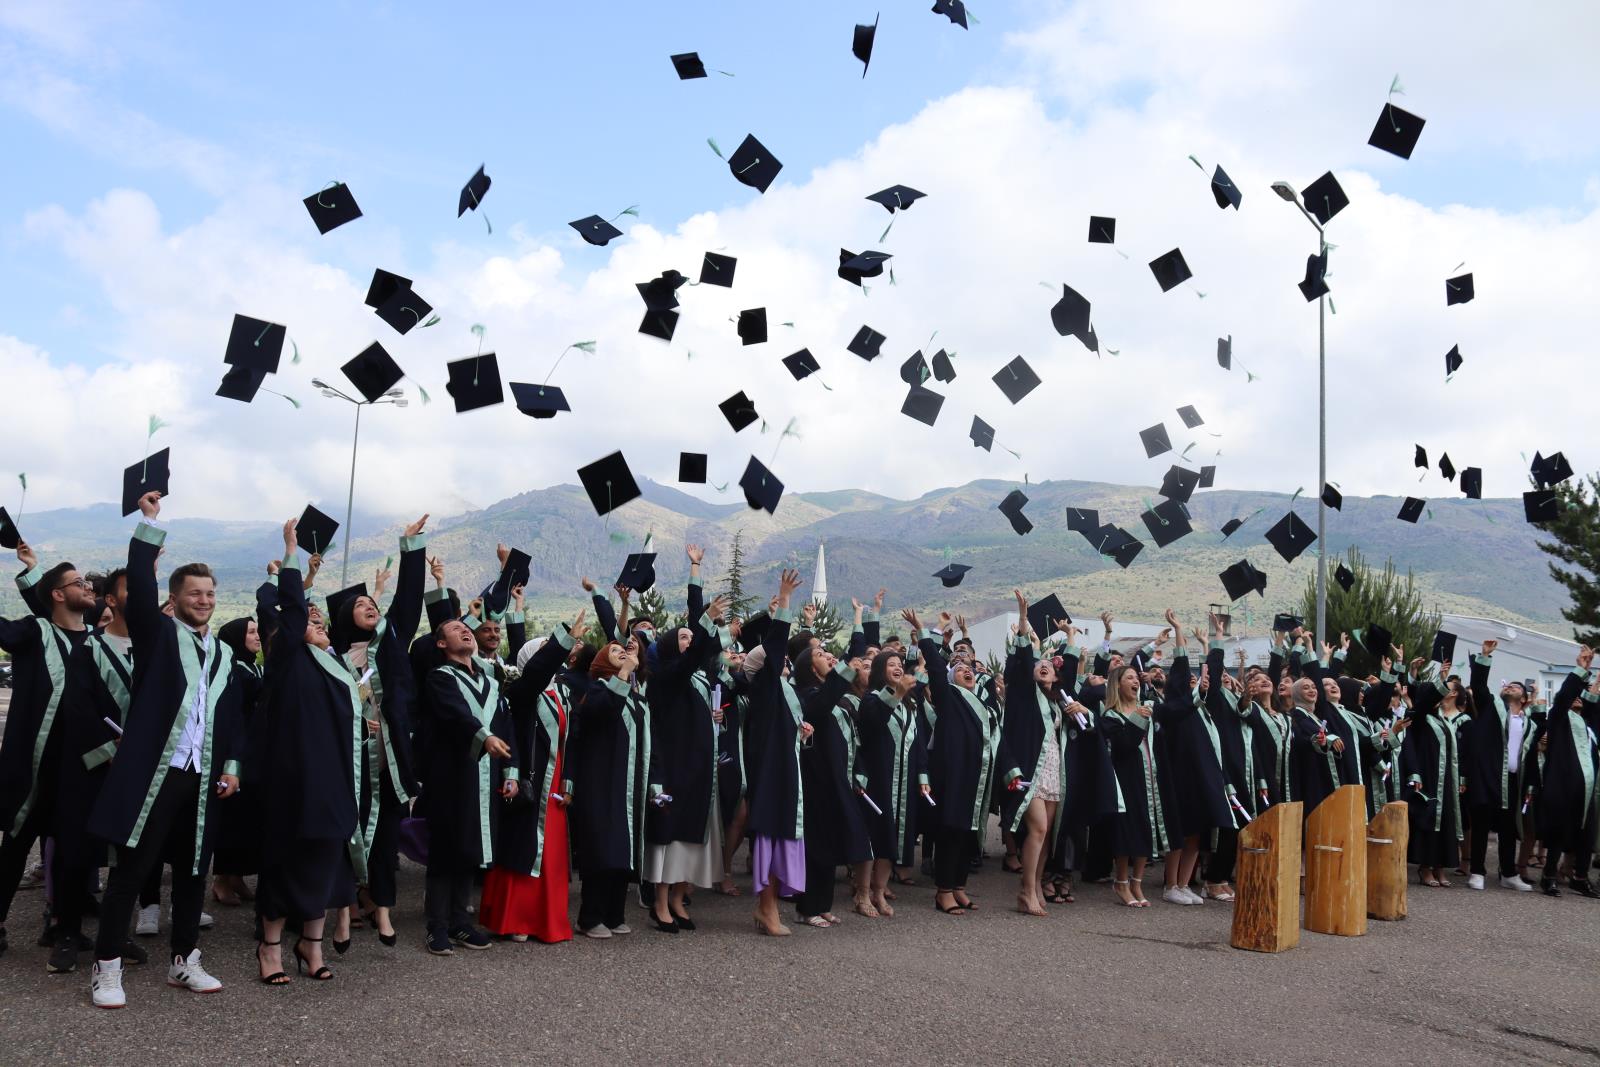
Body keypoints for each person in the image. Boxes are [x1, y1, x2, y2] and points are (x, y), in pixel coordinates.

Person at [87, 490, 243, 1009]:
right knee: (132, 871)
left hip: (201, 777)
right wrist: (149, 524)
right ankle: (106, 968)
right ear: (174, 599)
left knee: (195, 870)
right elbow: (137, 583)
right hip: (158, 772)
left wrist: (232, 766)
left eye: (210, 593)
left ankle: (185, 961)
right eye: (194, 593)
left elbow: (228, 718)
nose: (204, 599)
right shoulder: (157, 635)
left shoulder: (222, 653)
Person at [247, 518, 364, 984]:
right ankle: (270, 945)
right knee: (284, 858)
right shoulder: (286, 659)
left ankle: (311, 945)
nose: (312, 623)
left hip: (333, 780)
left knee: (324, 862)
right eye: (306, 619)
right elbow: (287, 610)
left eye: (319, 621)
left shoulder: (337, 669)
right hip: (292, 777)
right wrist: (291, 554)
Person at [327, 517, 430, 947]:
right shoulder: (330, 658)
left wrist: (410, 546)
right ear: (344, 617)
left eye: (373, 603)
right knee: (346, 837)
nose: (371, 606)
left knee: (386, 839)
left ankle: (384, 911)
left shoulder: (388, 644)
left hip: (388, 762)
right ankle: (344, 915)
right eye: (361, 604)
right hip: (348, 764)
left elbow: (407, 601)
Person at [46, 567, 149, 974]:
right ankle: (68, 933)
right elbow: (78, 706)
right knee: (77, 851)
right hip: (93, 766)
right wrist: (110, 749)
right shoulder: (88, 649)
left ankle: (116, 933)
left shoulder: (154, 649)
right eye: (131, 589)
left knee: (130, 856)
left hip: (139, 769)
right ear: (111, 599)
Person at [0, 540, 95, 959]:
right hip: (32, 764)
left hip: (80, 768)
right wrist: (32, 572)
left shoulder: (98, 641)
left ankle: (64, 928)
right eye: (79, 582)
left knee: (72, 852)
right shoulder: (33, 632)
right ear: (59, 594)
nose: (88, 586)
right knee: (15, 848)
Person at [480, 610, 586, 942]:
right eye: (542, 652)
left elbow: (573, 741)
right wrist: (563, 638)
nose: (551, 659)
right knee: (523, 849)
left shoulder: (563, 694)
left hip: (555, 785)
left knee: (552, 855)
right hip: (528, 781)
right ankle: (516, 920)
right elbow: (538, 672)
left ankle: (545, 920)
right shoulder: (522, 693)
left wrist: (569, 781)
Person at [642, 553, 731, 933]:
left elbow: (700, 645)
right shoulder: (665, 676)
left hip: (698, 771)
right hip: (673, 769)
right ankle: (660, 903)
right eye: (681, 636)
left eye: (691, 637)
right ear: (666, 643)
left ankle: (679, 898)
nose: (690, 640)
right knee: (669, 837)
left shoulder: (697, 679)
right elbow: (697, 641)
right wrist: (698, 590)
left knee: (691, 838)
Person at [420, 616, 518, 955]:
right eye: (453, 629)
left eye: (466, 628)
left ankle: (461, 922)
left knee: (470, 847)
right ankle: (437, 926)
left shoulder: (490, 682)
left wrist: (512, 772)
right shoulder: (439, 678)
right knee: (447, 847)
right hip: (450, 774)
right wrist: (485, 737)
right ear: (441, 643)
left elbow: (507, 726)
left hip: (486, 776)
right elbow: (455, 714)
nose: (464, 630)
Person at [906, 606, 990, 917]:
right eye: (958, 667)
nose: (965, 669)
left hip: (973, 776)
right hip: (950, 775)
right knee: (950, 832)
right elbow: (938, 671)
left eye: (969, 667)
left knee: (967, 834)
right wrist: (924, 631)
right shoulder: (948, 696)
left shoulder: (979, 705)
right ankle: (943, 891)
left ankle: (959, 887)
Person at [742, 570, 811, 936]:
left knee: (781, 836)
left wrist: (800, 730)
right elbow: (777, 644)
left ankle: (767, 908)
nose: (784, 664)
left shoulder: (781, 694)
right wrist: (784, 601)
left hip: (784, 773)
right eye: (777, 661)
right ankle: (766, 909)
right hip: (770, 777)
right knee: (770, 836)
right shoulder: (765, 687)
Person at [568, 638, 648, 939]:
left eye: (624, 651)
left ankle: (615, 914)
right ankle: (589, 917)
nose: (623, 654)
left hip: (628, 785)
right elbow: (603, 710)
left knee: (623, 853)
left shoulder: (635, 698)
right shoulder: (595, 691)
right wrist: (625, 671)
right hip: (600, 783)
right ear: (602, 664)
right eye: (615, 652)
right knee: (602, 851)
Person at [1464, 640, 1535, 891]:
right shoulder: (1492, 706)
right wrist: (1484, 657)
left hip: (1513, 779)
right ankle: (1477, 872)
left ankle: (1508, 873)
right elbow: (1479, 686)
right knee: (1482, 822)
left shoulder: (1530, 724)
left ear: (1525, 699)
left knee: (1508, 826)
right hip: (1489, 775)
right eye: (1510, 685)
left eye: (1518, 687)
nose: (1513, 686)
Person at [1532, 650, 1599, 898]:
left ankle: (1579, 878)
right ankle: (1549, 877)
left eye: (1582, 697)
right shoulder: (1559, 719)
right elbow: (1562, 699)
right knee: (1559, 833)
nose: (1578, 699)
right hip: (1563, 787)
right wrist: (1580, 670)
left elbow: (1593, 705)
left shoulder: (1589, 725)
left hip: (1587, 790)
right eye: (1576, 697)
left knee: (1587, 835)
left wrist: (1593, 686)